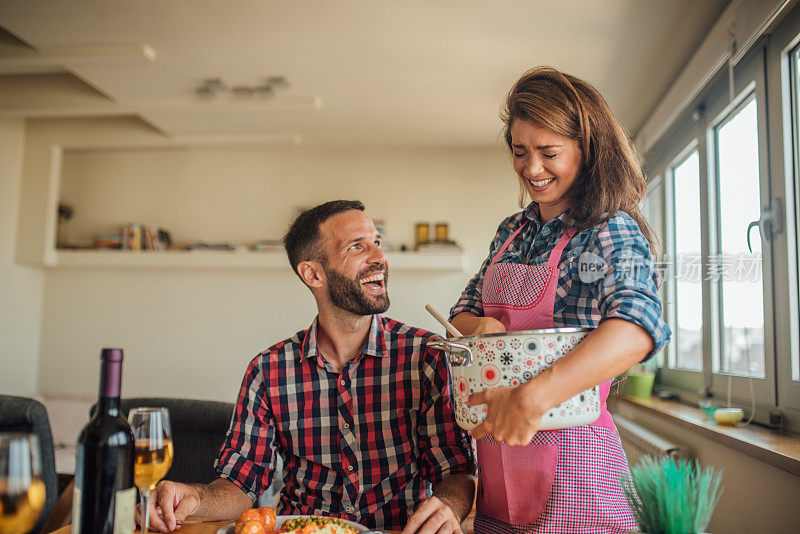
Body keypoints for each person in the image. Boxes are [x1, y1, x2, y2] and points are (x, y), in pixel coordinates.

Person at [143, 200, 476, 533]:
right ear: (313, 273)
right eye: (357, 247)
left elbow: (455, 472)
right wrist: (192, 497)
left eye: (378, 242)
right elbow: (241, 485)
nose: (379, 257)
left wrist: (449, 508)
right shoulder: (268, 371)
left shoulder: (427, 356)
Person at [448, 67, 671, 533]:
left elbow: (637, 327)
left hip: (576, 473)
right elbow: (462, 311)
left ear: (587, 151)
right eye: (520, 152)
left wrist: (533, 398)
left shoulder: (609, 228)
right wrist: (479, 327)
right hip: (497, 468)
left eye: (549, 153)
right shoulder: (511, 231)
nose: (532, 169)